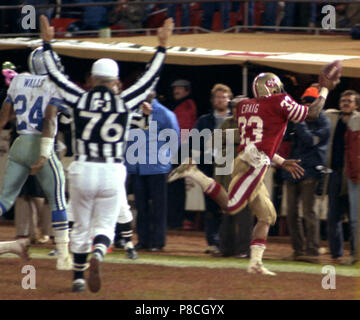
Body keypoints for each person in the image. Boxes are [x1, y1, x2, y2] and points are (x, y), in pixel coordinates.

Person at [36, 15, 173, 293]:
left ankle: (77, 277)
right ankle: (98, 254)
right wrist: (161, 47)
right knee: (105, 225)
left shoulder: (79, 97)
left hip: (83, 167)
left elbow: (56, 76)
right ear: (115, 81)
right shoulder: (124, 101)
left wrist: (48, 44)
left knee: (81, 224)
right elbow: (148, 80)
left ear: (92, 79)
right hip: (111, 169)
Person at [169, 68, 340, 275]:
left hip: (251, 158)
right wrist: (324, 90)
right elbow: (312, 113)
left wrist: (281, 161)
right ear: (272, 87)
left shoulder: (243, 106)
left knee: (267, 216)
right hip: (254, 162)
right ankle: (193, 171)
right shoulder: (278, 101)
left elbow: (256, 138)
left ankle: (255, 263)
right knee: (232, 206)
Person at [0, 49, 72, 270]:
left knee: (5, 198)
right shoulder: (53, 84)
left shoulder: (19, 79)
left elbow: (4, 117)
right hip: (40, 142)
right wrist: (43, 153)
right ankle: (63, 255)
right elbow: (49, 120)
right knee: (57, 197)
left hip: (19, 142)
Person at [282, 86, 331, 262]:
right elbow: (285, 139)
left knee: (309, 212)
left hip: (310, 171)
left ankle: (312, 251)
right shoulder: (298, 121)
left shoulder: (323, 122)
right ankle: (298, 250)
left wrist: (299, 122)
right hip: (293, 169)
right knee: (291, 214)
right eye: (303, 102)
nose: (305, 106)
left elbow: (310, 141)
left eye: (309, 102)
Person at [126, 94, 180, 251]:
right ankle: (143, 240)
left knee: (158, 206)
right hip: (137, 166)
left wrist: (165, 157)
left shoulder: (164, 113)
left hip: (157, 166)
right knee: (141, 206)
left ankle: (157, 241)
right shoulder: (133, 112)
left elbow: (174, 136)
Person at [190, 83, 232, 254]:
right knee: (211, 205)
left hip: (229, 167)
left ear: (229, 99)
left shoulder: (236, 120)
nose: (220, 100)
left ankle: (227, 240)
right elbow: (193, 140)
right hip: (208, 165)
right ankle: (213, 241)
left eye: (223, 97)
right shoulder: (204, 120)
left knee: (228, 204)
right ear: (213, 100)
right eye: (217, 97)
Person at [214, 95, 253, 257]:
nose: (237, 111)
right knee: (227, 213)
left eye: (240, 108)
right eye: (235, 108)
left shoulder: (253, 123)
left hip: (245, 175)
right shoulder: (226, 122)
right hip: (225, 171)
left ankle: (244, 250)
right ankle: (226, 249)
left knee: (244, 215)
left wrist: (229, 139)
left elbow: (249, 143)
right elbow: (214, 141)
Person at [325, 90, 360, 264]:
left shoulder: (358, 119)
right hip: (335, 172)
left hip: (354, 175)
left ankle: (356, 254)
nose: (345, 103)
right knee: (333, 216)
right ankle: (336, 255)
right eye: (343, 100)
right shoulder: (331, 116)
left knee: (355, 217)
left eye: (349, 101)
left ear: (356, 104)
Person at [167, 79, 197, 230]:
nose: (175, 91)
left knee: (175, 187)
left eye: (179, 89)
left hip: (179, 149)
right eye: (174, 89)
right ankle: (175, 219)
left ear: (186, 90)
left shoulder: (186, 105)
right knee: (175, 186)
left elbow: (185, 129)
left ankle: (175, 220)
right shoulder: (182, 105)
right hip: (178, 148)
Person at [345, 106, 360, 265]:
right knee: (355, 219)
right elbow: (348, 149)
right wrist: (352, 172)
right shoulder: (354, 121)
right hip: (355, 177)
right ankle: (356, 255)